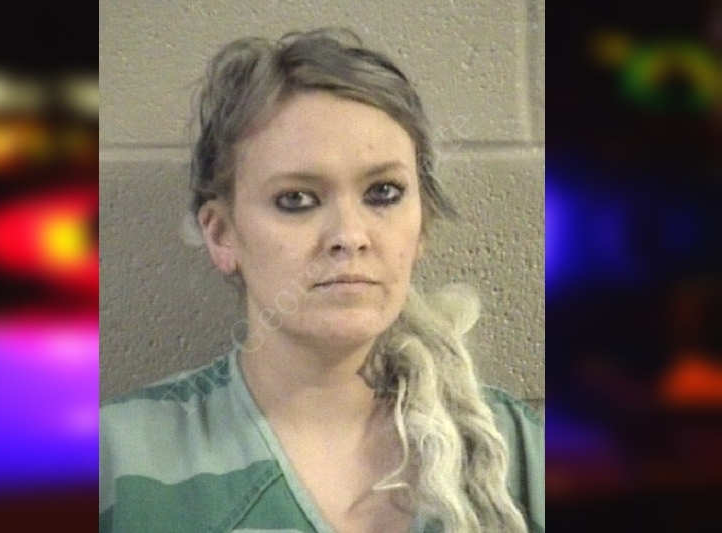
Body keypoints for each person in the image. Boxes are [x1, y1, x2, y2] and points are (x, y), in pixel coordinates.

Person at [100, 28, 543, 533]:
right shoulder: (117, 463)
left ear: (422, 226)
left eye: (383, 193)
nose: (349, 236)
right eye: (296, 199)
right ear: (221, 234)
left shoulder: (520, 453)